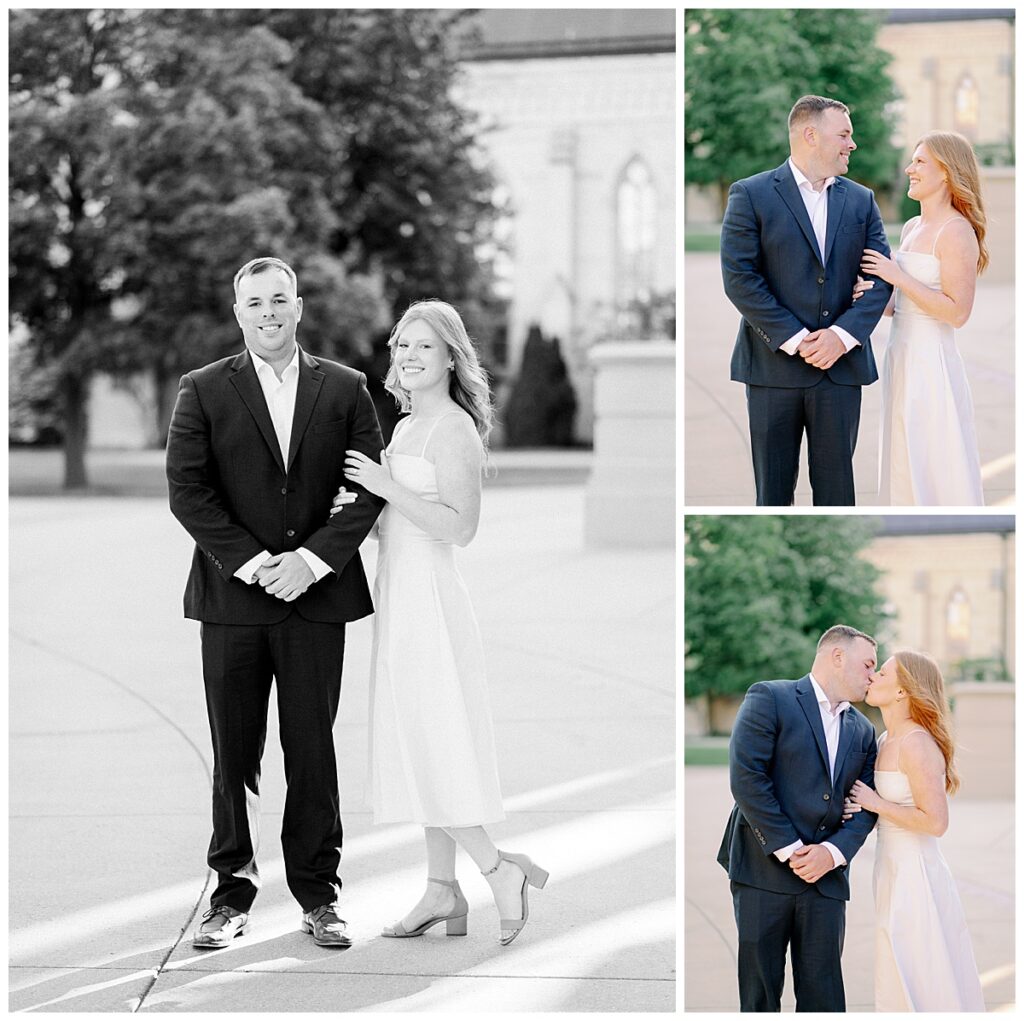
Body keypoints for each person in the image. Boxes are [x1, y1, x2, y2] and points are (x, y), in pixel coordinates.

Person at [166, 257, 385, 949]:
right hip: (233, 602)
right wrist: (262, 565)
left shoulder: (347, 388)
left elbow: (366, 487)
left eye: (279, 299)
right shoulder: (202, 389)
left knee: (312, 753)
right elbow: (188, 491)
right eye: (254, 301)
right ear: (239, 313)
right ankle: (230, 894)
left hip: (316, 602)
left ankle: (320, 896)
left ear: (298, 306)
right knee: (234, 758)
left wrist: (313, 560)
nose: (268, 311)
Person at [330, 300, 548, 946]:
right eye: (402, 345)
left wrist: (387, 487)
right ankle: (439, 887)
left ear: (451, 356)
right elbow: (398, 522)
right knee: (417, 741)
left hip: (431, 602)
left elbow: (459, 527)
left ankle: (497, 868)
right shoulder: (402, 428)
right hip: (398, 593)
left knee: (434, 743)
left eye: (425, 346)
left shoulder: (453, 428)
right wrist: (360, 509)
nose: (409, 356)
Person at [721, 95, 893, 506]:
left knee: (838, 498)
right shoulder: (751, 194)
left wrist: (842, 336)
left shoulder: (861, 200)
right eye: (845, 134)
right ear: (811, 135)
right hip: (771, 370)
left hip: (840, 372)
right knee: (773, 497)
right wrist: (798, 339)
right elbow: (740, 279)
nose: (852, 144)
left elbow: (881, 277)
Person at [717, 625, 879, 1012]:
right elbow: (747, 779)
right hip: (762, 872)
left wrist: (832, 853)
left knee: (824, 997)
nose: (873, 675)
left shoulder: (865, 731)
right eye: (869, 664)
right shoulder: (771, 697)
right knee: (759, 996)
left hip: (826, 883)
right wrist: (791, 850)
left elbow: (867, 805)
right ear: (837, 656)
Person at [845, 652, 985, 1011]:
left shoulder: (916, 743)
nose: (874, 675)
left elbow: (936, 823)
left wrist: (875, 803)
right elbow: (880, 802)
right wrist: (861, 805)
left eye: (883, 671)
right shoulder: (885, 739)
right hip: (889, 867)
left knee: (921, 968)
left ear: (902, 691)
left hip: (916, 873)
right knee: (894, 967)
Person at [857, 132, 987, 505]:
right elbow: (905, 303)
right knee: (903, 453)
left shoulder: (956, 231)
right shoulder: (913, 228)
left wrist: (897, 276)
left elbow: (957, 312)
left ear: (946, 172)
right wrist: (872, 295)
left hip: (932, 363)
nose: (909, 169)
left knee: (933, 456)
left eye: (919, 162)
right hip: (901, 356)